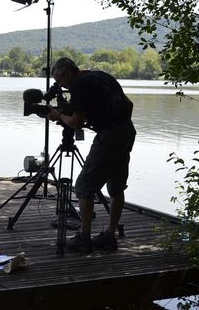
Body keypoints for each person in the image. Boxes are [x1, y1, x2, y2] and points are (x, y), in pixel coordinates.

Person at [47, 57, 136, 253]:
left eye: (59, 81)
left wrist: (58, 115)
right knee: (116, 186)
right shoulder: (101, 76)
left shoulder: (78, 86)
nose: (60, 86)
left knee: (84, 186)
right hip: (127, 131)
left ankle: (84, 239)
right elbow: (129, 105)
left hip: (110, 136)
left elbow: (76, 123)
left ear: (67, 73)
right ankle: (109, 236)